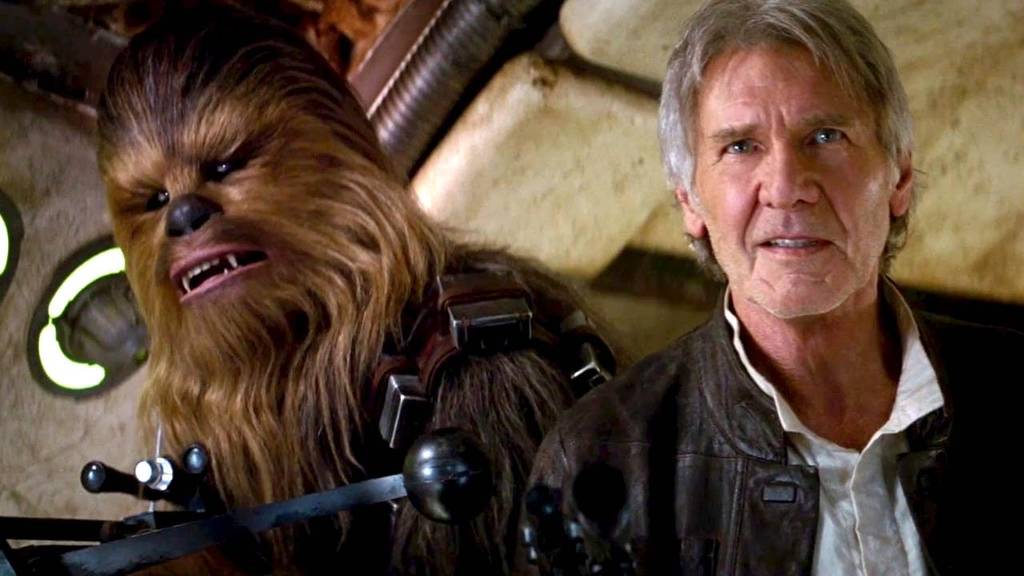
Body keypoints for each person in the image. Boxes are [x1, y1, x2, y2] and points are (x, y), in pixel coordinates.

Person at [96, 4, 613, 574]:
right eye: (154, 201)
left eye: (223, 168)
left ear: (337, 158)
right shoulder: (197, 440)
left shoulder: (472, 353)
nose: (184, 215)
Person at [521, 1, 1022, 574]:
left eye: (825, 136)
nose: (785, 187)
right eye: (740, 146)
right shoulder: (599, 460)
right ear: (690, 202)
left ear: (899, 178)